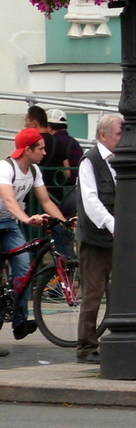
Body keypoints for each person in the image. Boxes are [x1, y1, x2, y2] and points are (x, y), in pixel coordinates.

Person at [1, 128, 70, 344]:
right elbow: (9, 200)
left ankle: (19, 322)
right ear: (27, 149)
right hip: (13, 218)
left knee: (23, 267)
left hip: (9, 223)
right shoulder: (5, 168)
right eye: (40, 148)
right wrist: (26, 219)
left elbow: (46, 201)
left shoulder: (34, 171)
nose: (44, 152)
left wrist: (65, 222)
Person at [73, 116, 123, 362]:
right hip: (96, 238)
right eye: (119, 134)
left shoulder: (118, 160)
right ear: (103, 135)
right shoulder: (90, 161)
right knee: (93, 294)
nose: (122, 139)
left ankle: (116, 337)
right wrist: (112, 224)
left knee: (121, 289)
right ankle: (86, 347)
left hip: (116, 235)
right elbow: (91, 201)